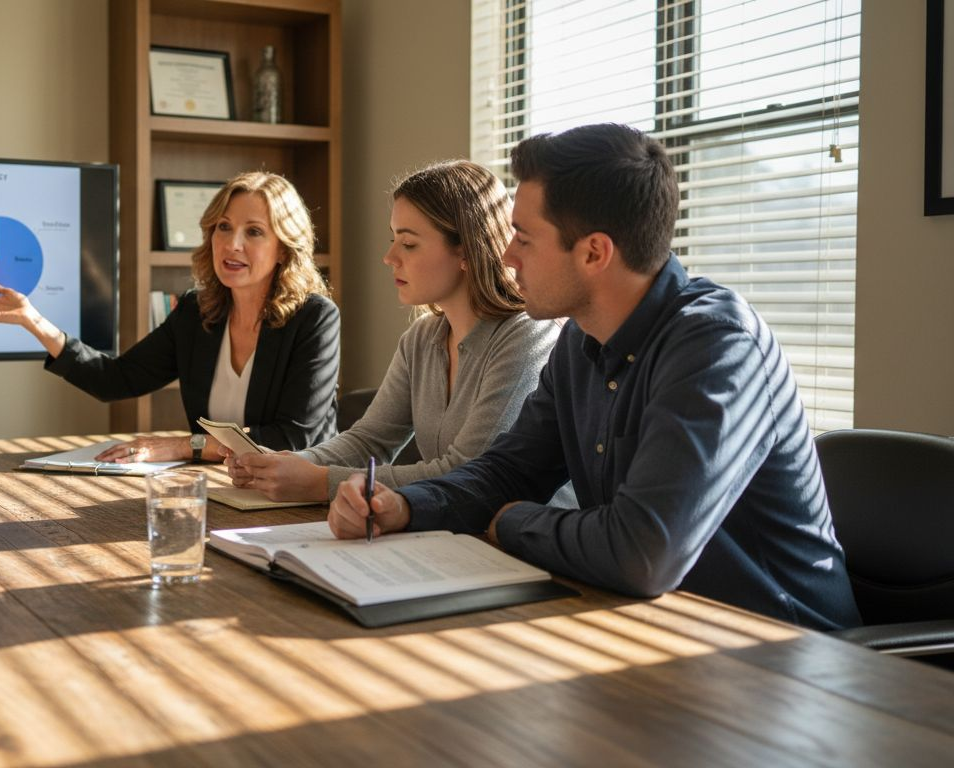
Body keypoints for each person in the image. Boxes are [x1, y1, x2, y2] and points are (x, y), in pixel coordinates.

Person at [329, 124, 861, 631]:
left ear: (594, 252)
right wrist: (404, 507)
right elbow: (509, 472)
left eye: (524, 239)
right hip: (653, 633)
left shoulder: (717, 348)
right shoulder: (581, 342)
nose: (507, 257)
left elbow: (641, 553)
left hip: (785, 657)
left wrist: (511, 521)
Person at [224, 160, 560, 502]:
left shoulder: (527, 337)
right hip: (452, 531)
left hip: (519, 545)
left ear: (466, 249)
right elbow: (369, 441)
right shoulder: (421, 339)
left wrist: (319, 481)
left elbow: (469, 470)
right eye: (392, 239)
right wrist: (282, 464)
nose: (389, 257)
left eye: (409, 244)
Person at [0, 171, 340, 463]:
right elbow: (116, 379)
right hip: (221, 488)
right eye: (224, 227)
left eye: (253, 232)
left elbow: (292, 438)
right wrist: (32, 320)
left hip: (295, 498)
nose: (231, 244)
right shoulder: (196, 311)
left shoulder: (315, 319)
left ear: (284, 249)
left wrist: (180, 446)